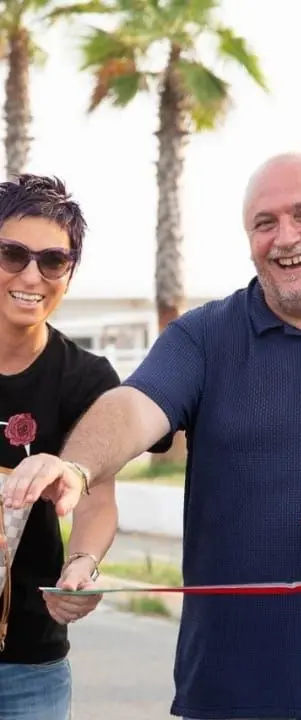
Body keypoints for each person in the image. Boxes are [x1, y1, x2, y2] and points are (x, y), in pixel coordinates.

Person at [2, 153, 301, 720]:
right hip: (226, 692)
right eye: (264, 223)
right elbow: (133, 405)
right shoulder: (204, 336)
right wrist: (74, 468)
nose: (285, 237)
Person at [0, 175, 121, 720]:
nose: (31, 275)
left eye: (52, 260)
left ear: (69, 273)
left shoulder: (86, 378)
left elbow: (96, 499)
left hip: (29, 664)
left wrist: (82, 565)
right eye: (12, 254)